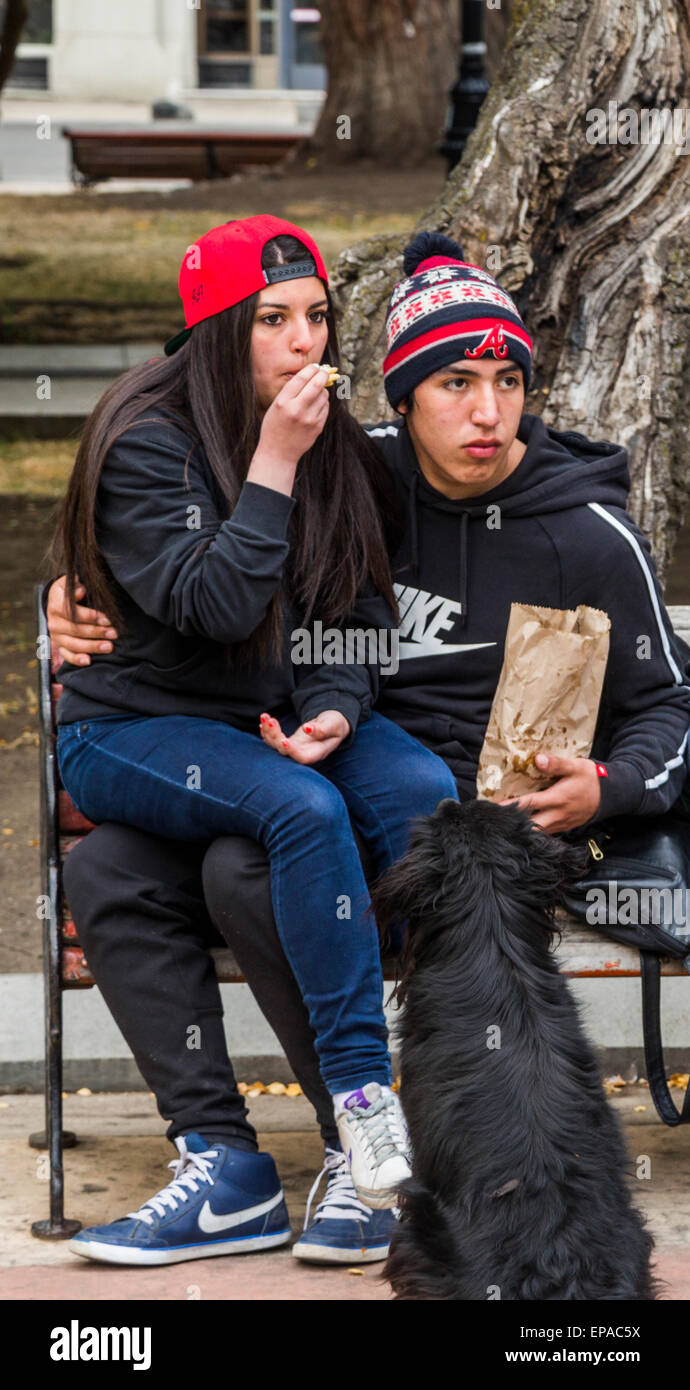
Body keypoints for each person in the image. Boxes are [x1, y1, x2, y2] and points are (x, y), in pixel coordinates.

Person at [49, 232, 690, 1267]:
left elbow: (345, 616)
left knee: (272, 849)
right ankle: (246, 1154)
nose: (485, 411)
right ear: (405, 397)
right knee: (119, 864)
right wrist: (65, 598)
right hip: (212, 748)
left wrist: (605, 785)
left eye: (507, 379)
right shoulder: (330, 455)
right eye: (453, 381)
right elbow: (185, 582)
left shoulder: (564, 523)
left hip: (426, 829)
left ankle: (417, 1149)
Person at [47, 216, 460, 1267]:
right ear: (219, 332)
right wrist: (276, 458)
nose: (302, 341)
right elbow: (217, 604)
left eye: (316, 317)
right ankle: (364, 1116)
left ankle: (273, 1165)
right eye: (273, 319)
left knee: (394, 792)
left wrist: (334, 706)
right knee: (296, 810)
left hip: (260, 722)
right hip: (135, 727)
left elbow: (353, 610)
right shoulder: (146, 438)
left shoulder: (335, 442)